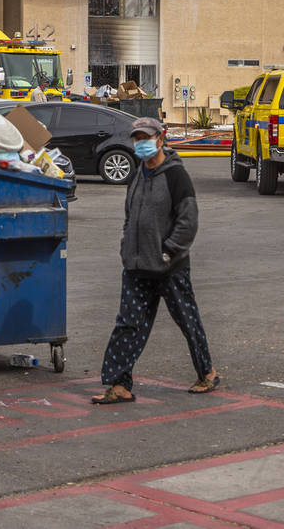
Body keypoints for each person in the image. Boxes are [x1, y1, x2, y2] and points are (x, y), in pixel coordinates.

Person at [91, 117, 220, 404]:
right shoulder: (138, 173)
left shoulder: (175, 176)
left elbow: (188, 220)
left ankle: (207, 372)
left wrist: (170, 250)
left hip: (169, 267)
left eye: (146, 138)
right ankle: (119, 385)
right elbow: (129, 216)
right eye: (137, 138)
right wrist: (126, 248)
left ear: (161, 139)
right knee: (127, 325)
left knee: (187, 321)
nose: (141, 143)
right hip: (137, 267)